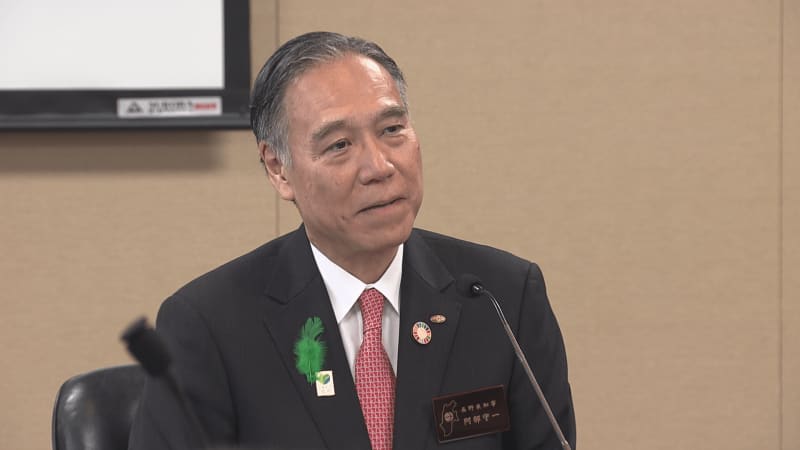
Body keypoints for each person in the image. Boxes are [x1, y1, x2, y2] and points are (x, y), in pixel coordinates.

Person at [129, 31, 575, 450]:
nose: (379, 167)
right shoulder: (210, 325)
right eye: (340, 145)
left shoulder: (502, 298)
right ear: (278, 168)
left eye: (392, 130)